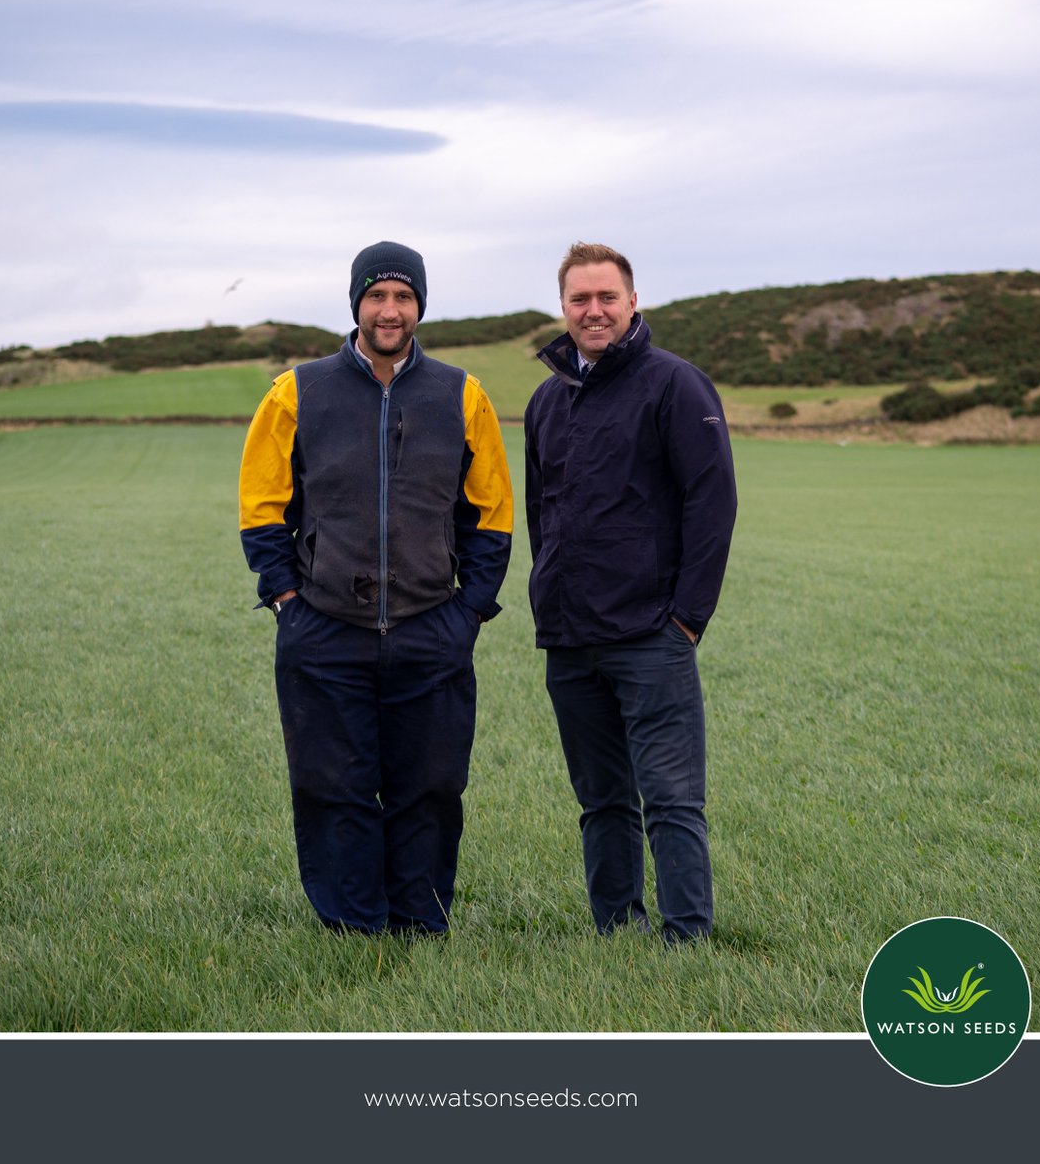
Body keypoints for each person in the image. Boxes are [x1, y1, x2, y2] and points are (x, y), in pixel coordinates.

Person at [239, 241, 513, 935]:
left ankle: (420, 922)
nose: (390, 310)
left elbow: (493, 515)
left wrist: (470, 611)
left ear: (421, 304)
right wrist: (285, 601)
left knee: (432, 786)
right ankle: (353, 924)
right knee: (332, 786)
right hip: (324, 628)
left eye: (403, 296)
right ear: (355, 304)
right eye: (376, 295)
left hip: (431, 628)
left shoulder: (463, 394)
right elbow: (262, 506)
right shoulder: (296, 390)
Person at [524, 242, 737, 944]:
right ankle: (616, 929)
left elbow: (712, 503)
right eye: (580, 299)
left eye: (607, 297)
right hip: (571, 637)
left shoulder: (675, 385)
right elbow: (542, 512)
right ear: (563, 307)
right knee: (601, 801)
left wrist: (686, 620)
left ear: (633, 301)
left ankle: (687, 937)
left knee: (672, 799)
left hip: (652, 636)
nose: (593, 311)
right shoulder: (547, 400)